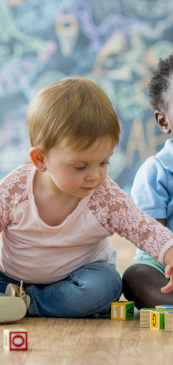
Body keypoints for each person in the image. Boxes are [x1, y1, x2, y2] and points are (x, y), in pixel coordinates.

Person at [0, 76, 173, 326]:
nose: (95, 175)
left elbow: (145, 229)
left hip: (80, 278)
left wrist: (170, 255)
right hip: (13, 279)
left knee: (107, 284)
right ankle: (15, 300)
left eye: (104, 162)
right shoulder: (13, 190)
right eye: (80, 166)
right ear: (41, 160)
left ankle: (22, 304)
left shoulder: (105, 195)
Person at [122, 54, 173, 309]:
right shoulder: (155, 171)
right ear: (163, 121)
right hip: (162, 262)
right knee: (135, 276)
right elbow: (153, 239)